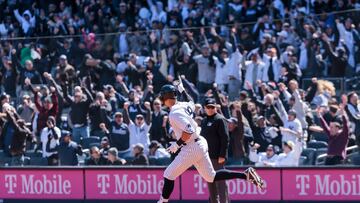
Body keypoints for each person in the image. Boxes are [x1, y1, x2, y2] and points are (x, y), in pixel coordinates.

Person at [157, 83, 264, 203]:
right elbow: (191, 101)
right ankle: (245, 175)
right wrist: (183, 91)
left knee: (168, 174)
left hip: (191, 146)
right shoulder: (183, 105)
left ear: (165, 97)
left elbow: (189, 131)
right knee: (211, 176)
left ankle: (162, 201)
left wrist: (177, 144)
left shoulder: (174, 113)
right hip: (200, 143)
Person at [201, 97, 230, 203]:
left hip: (217, 157)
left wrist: (223, 155)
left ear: (216, 107)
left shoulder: (220, 119)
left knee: (221, 183)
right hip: (207, 157)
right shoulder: (204, 121)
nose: (210, 109)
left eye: (212, 107)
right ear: (204, 108)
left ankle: (224, 201)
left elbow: (225, 138)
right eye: (208, 107)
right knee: (210, 182)